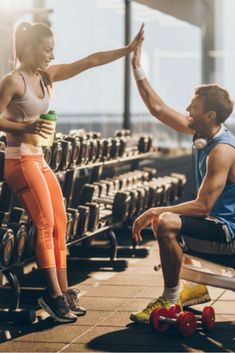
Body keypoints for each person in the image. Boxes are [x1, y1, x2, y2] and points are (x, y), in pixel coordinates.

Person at [0, 21, 144, 324]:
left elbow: (89, 61)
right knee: (44, 223)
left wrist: (128, 49)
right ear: (30, 49)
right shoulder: (12, 81)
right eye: (47, 49)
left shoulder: (44, 76)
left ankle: (63, 292)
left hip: (39, 159)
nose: (52, 55)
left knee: (61, 221)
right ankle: (51, 295)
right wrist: (24, 127)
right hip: (20, 161)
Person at [130, 31, 235, 324]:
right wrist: (137, 67)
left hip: (228, 234)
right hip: (212, 226)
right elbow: (158, 109)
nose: (187, 109)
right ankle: (195, 288)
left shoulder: (222, 150)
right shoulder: (202, 133)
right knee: (169, 219)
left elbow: (202, 208)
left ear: (210, 115)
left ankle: (170, 298)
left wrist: (154, 210)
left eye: (193, 106)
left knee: (166, 222)